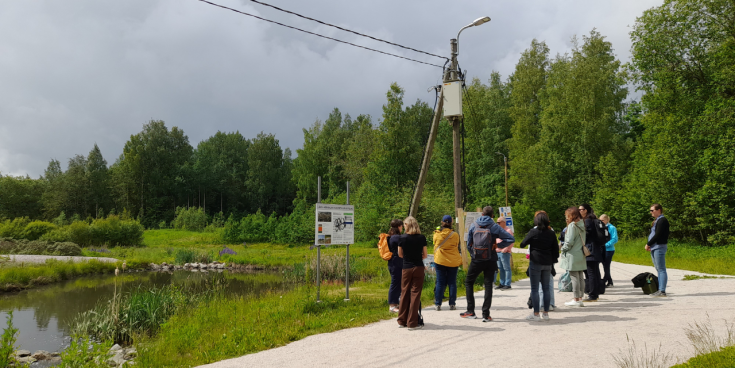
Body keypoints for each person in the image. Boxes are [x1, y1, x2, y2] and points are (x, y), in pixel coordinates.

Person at [460, 206, 515, 322]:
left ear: (482, 214)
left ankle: (470, 311)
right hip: (491, 258)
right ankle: (486, 314)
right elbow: (510, 239)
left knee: (469, 282)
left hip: (477, 259)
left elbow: (468, 243)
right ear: (493, 216)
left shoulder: (474, 225)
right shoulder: (495, 226)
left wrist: (473, 254)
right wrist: (497, 246)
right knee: (488, 285)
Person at [520, 211, 558, 321]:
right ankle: (545, 313)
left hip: (535, 262)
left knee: (535, 289)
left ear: (536, 221)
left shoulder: (533, 232)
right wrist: (553, 261)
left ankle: (536, 314)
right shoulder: (551, 233)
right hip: (547, 263)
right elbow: (555, 249)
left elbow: (522, 244)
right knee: (546, 288)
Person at [397, 216, 428, 330]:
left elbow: (400, 254)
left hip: (406, 267)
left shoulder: (402, 238)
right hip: (419, 267)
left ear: (407, 225)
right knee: (415, 294)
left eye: (405, 225)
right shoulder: (421, 238)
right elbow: (425, 255)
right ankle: (412, 322)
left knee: (404, 292)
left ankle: (401, 320)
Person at [433, 215, 461, 311]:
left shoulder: (437, 234)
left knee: (440, 282)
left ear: (442, 222)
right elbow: (457, 245)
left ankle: (438, 304)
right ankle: (452, 304)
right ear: (451, 223)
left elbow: (435, 244)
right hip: (453, 260)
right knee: (452, 282)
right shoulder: (455, 235)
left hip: (440, 260)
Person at [560, 207, 587, 307]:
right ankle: (580, 298)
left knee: (574, 277)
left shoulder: (572, 225)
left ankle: (576, 299)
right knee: (580, 276)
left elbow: (569, 242)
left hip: (572, 254)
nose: (566, 217)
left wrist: (563, 249)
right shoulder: (581, 224)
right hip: (580, 253)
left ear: (571, 215)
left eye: (567, 215)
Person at [579, 203, 603, 302]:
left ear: (586, 210)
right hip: (595, 249)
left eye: (581, 209)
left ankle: (592, 294)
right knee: (595, 272)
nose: (579, 211)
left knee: (591, 273)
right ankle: (596, 293)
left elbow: (587, 235)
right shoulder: (593, 219)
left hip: (590, 250)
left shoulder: (588, 220)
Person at [646, 204, 669, 297]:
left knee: (661, 269)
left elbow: (658, 234)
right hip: (655, 247)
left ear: (658, 210)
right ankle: (659, 289)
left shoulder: (662, 220)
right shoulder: (657, 220)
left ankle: (662, 291)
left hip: (659, 246)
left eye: (652, 210)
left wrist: (648, 244)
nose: (651, 212)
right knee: (658, 269)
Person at [386, 219, 403, 313]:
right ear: (398, 227)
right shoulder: (397, 238)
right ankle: (392, 305)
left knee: (398, 283)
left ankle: (397, 302)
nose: (402, 228)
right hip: (396, 262)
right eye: (401, 226)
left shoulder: (391, 236)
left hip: (393, 262)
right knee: (395, 283)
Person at [494, 216, 514, 290]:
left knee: (506, 268)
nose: (497, 223)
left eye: (499, 222)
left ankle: (507, 283)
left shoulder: (508, 231)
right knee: (500, 268)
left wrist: (506, 248)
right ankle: (502, 283)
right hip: (498, 251)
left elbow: (511, 241)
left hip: (504, 252)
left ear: (503, 222)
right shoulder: (499, 230)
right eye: (497, 222)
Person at [599, 214, 618, 287]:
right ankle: (609, 281)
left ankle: (605, 280)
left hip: (609, 250)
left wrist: (606, 245)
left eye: (602, 220)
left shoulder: (612, 228)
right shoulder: (600, 227)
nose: (601, 222)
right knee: (604, 265)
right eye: (600, 220)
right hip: (601, 249)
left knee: (606, 265)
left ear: (607, 220)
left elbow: (614, 239)